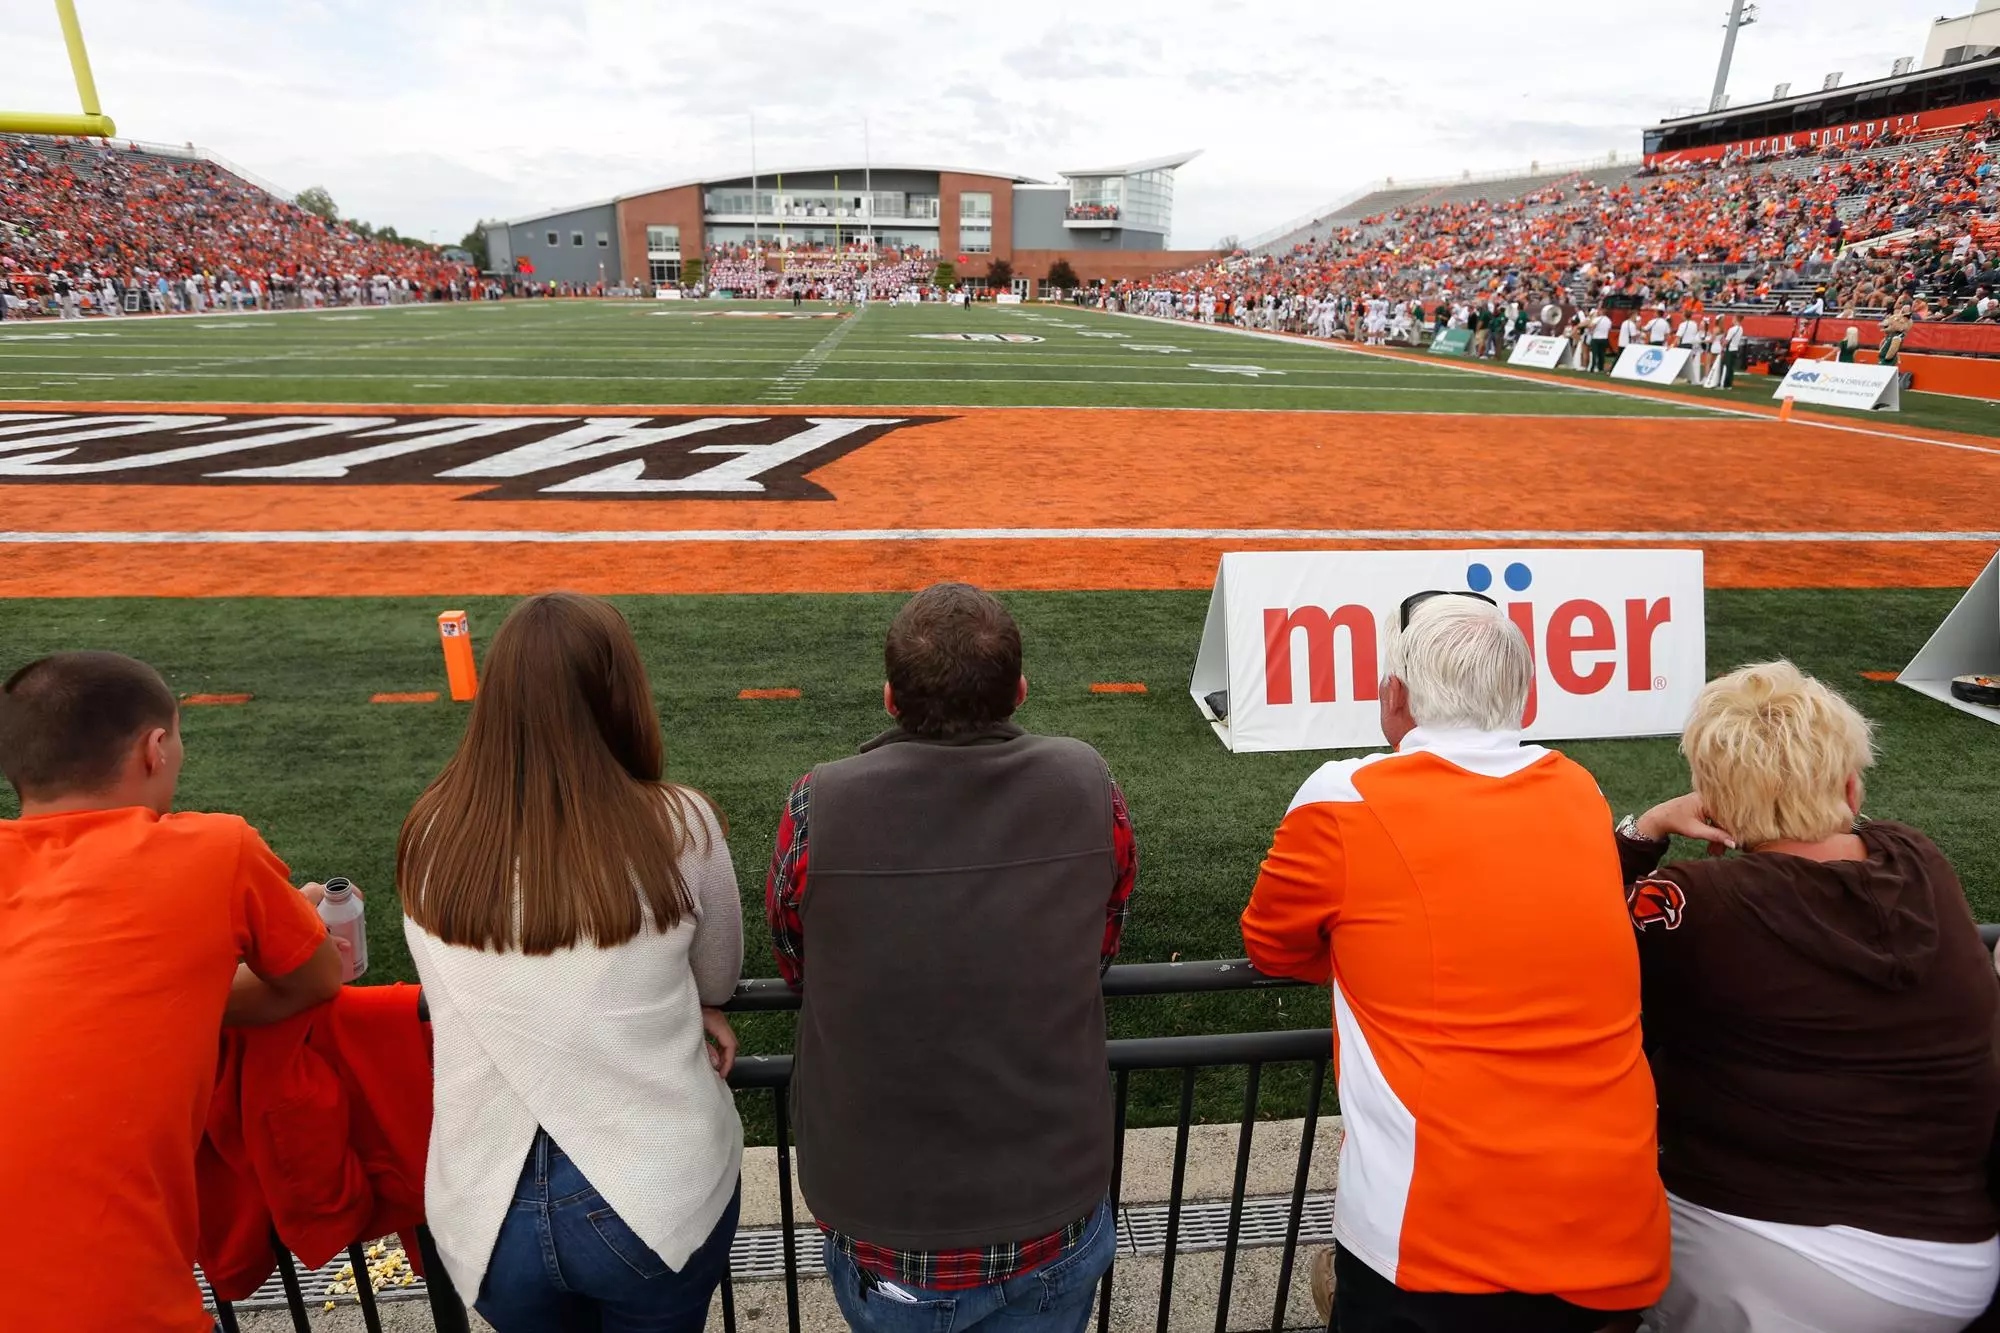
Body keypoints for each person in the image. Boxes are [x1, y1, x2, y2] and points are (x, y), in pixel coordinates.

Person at [1241, 593, 1668, 1333]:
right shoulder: (1578, 786)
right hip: (1613, 1227)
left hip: (1433, 1243)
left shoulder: (1342, 795)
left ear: (1395, 696)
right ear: (1525, 697)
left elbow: (1272, 948)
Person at [766, 582, 1136, 1333]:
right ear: (1020, 692)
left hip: (881, 1224)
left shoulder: (819, 801)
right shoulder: (1089, 781)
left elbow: (794, 958)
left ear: (889, 699)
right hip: (1050, 1207)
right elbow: (1101, 938)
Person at [1617, 662, 2000, 1333]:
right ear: (1851, 783)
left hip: (1770, 1250)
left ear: (1714, 800)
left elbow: (1566, 939)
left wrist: (1645, 829)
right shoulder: (1920, 859)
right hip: (1957, 1262)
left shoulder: (1703, 900)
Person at [399, 592, 743, 1333]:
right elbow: (718, 974)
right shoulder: (681, 823)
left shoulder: (430, 833)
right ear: (620, 692)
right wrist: (705, 1006)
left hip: (485, 1207)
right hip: (655, 1191)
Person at [0, 651, 343, 1333]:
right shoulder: (214, 850)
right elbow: (316, 978)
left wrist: (165, 991)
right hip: (112, 1304)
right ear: (155, 749)